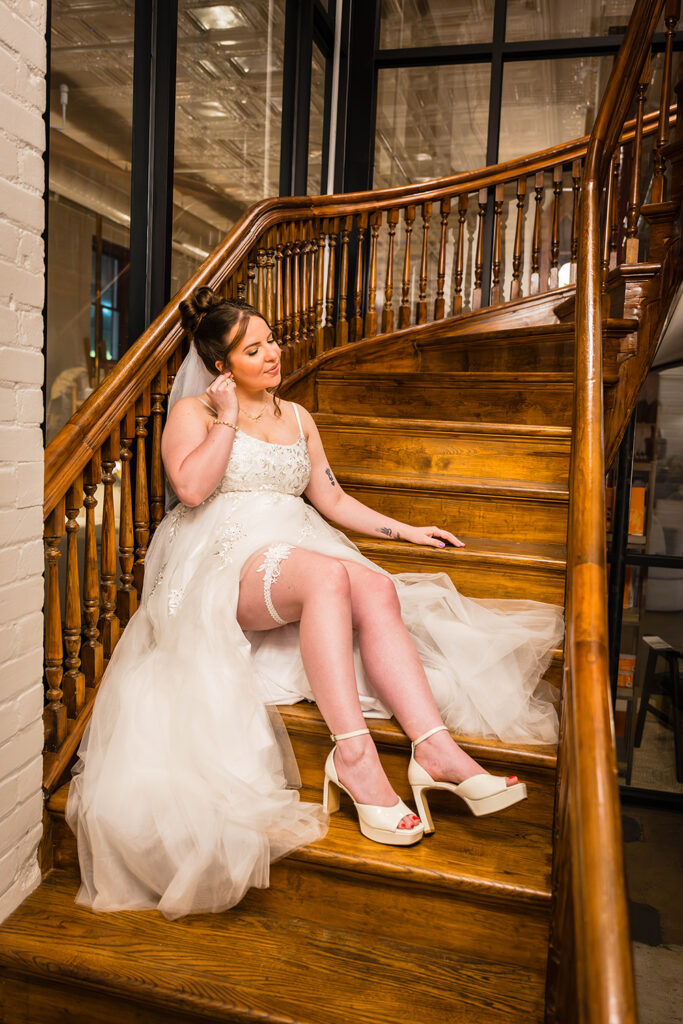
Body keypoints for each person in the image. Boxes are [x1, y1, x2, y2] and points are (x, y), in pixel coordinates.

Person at [67, 287, 563, 919]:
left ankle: (433, 748)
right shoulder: (194, 411)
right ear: (222, 367)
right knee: (330, 580)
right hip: (221, 557)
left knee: (377, 586)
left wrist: (404, 531)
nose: (273, 353)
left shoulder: (300, 417)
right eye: (253, 349)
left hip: (298, 546)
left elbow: (329, 501)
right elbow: (190, 490)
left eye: (271, 340)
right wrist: (224, 419)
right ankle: (353, 757)